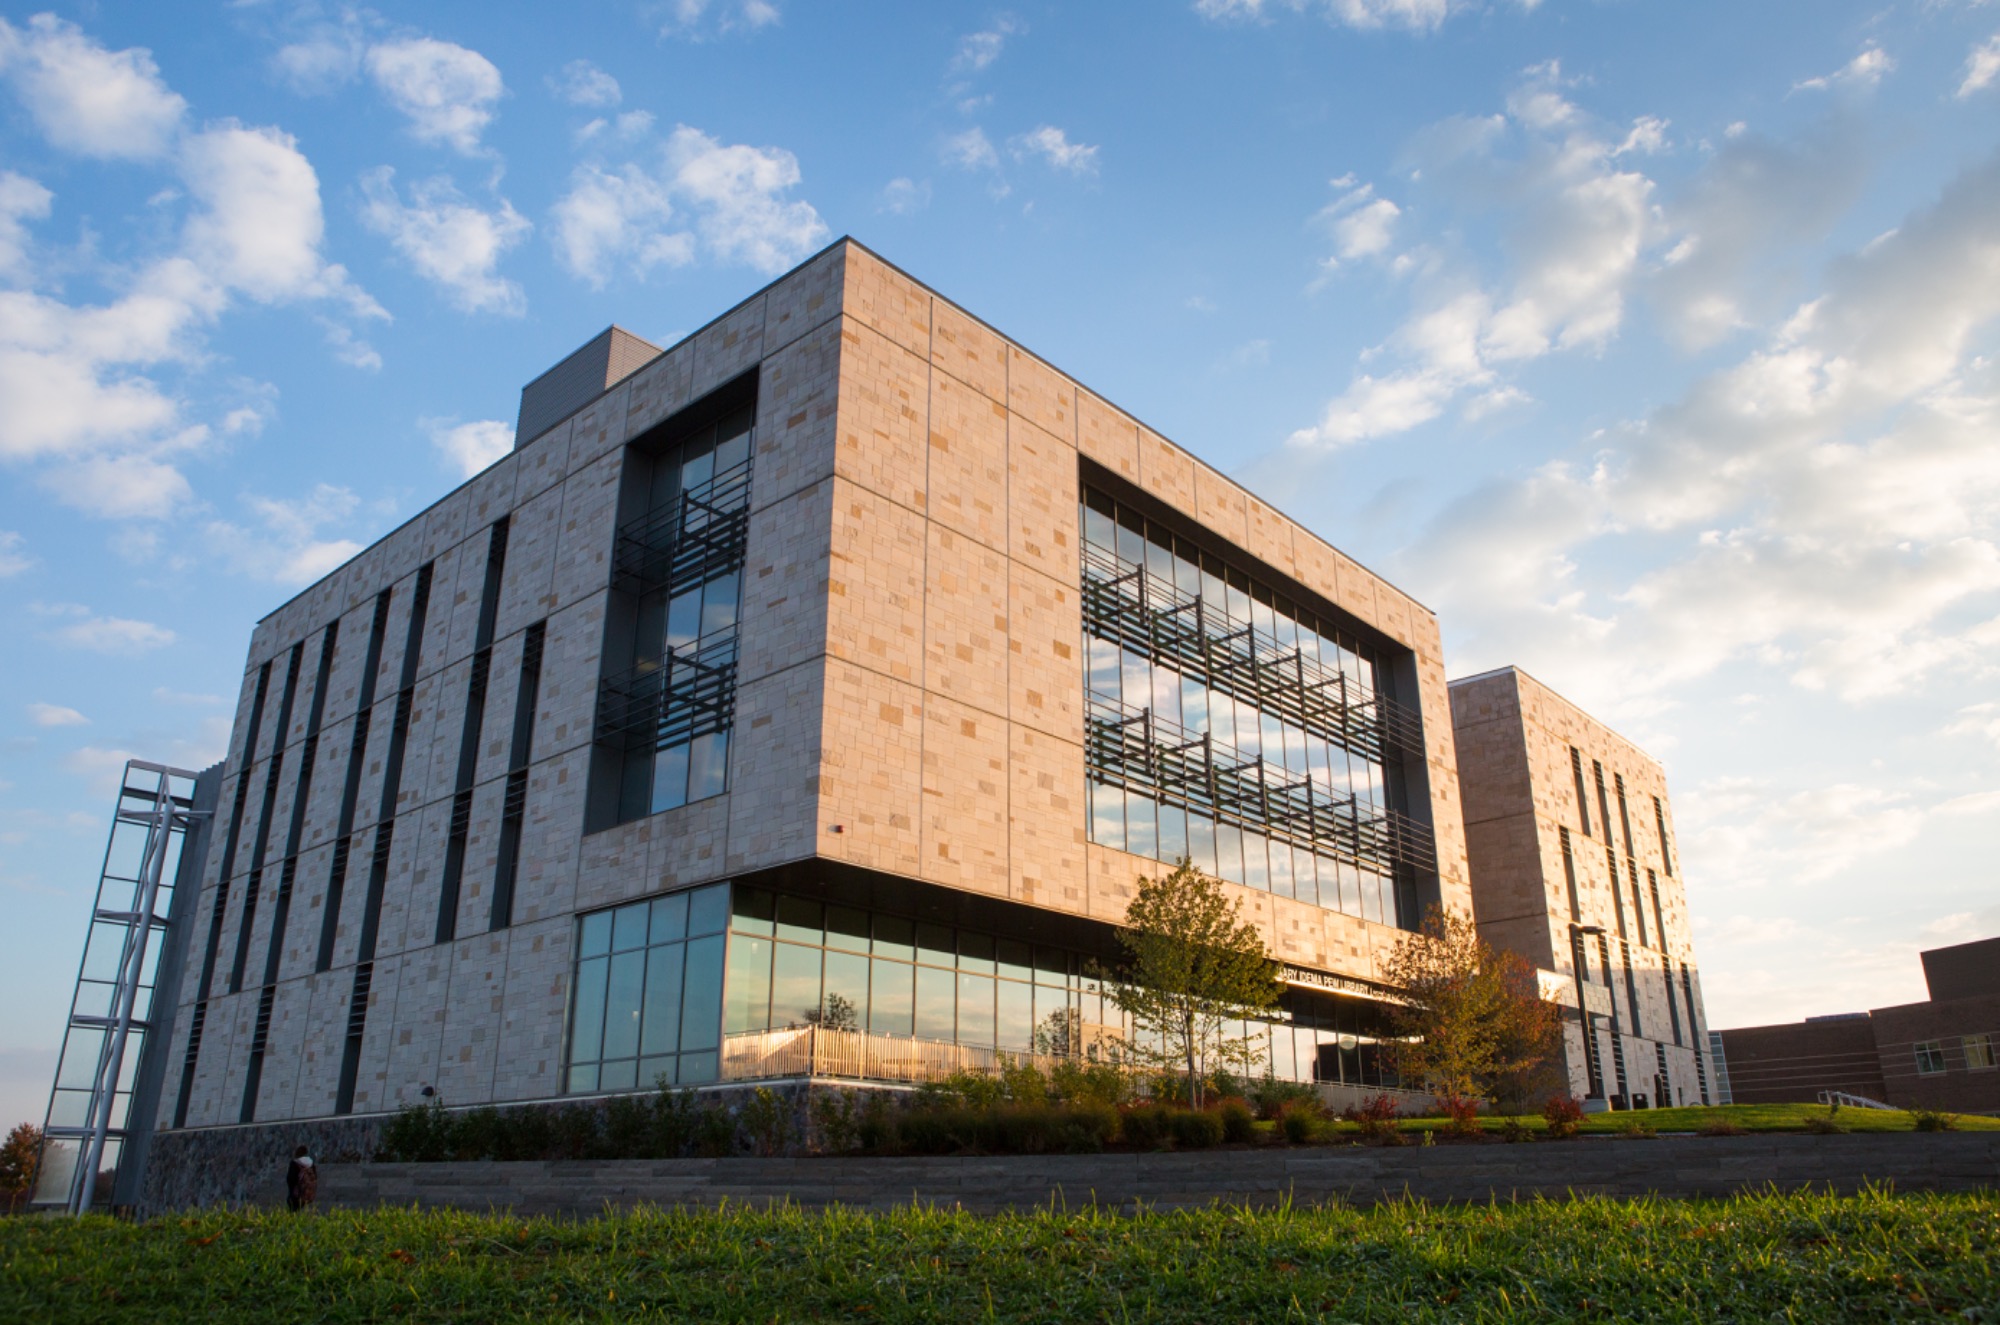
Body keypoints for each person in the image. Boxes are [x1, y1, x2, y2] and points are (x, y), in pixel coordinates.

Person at [286, 1145, 318, 1212]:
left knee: (293, 1208)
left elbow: (290, 1179)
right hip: (309, 1193)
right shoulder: (311, 1164)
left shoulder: (294, 1163)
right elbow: (315, 1177)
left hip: (297, 1194)